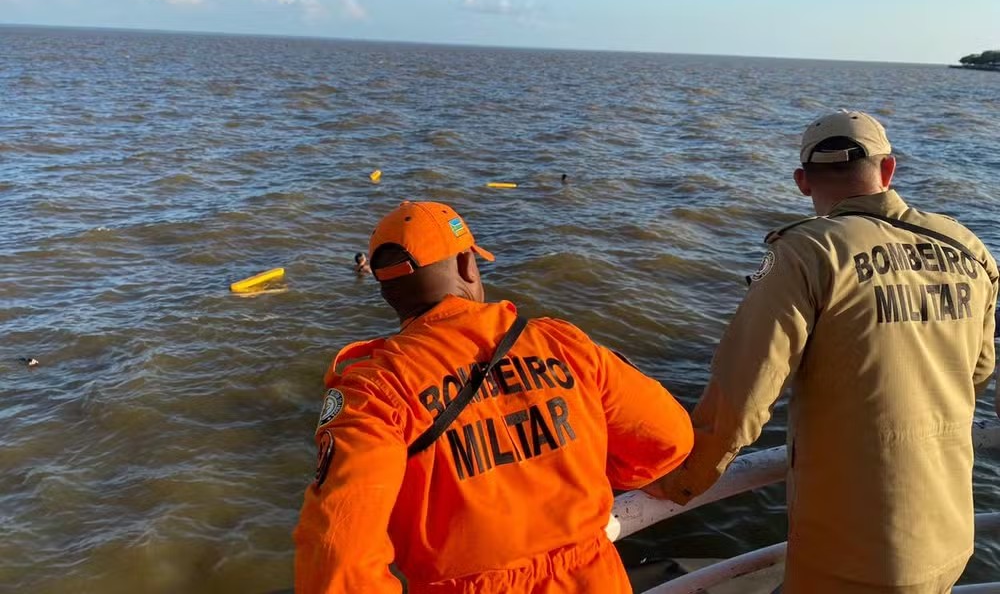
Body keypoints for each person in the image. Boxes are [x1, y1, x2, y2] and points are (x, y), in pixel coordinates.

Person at [648, 111, 998, 593]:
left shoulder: (806, 251)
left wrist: (681, 482)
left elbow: (744, 395)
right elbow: (977, 373)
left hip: (854, 553)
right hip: (951, 536)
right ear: (888, 169)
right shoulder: (968, 247)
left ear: (802, 182)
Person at [294, 200, 694, 594]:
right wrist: (578, 462)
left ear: (388, 293)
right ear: (468, 265)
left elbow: (338, 559)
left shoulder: (374, 390)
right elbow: (669, 439)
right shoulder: (561, 343)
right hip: (593, 578)